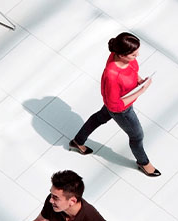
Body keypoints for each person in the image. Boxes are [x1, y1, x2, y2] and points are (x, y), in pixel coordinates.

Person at [69, 32, 161, 177]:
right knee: (137, 136)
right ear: (122, 55)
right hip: (122, 110)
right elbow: (115, 106)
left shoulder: (119, 57)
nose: (137, 57)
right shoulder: (112, 76)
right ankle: (143, 163)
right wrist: (141, 90)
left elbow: (132, 70)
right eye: (133, 55)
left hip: (117, 100)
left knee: (100, 117)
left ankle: (77, 141)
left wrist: (139, 80)